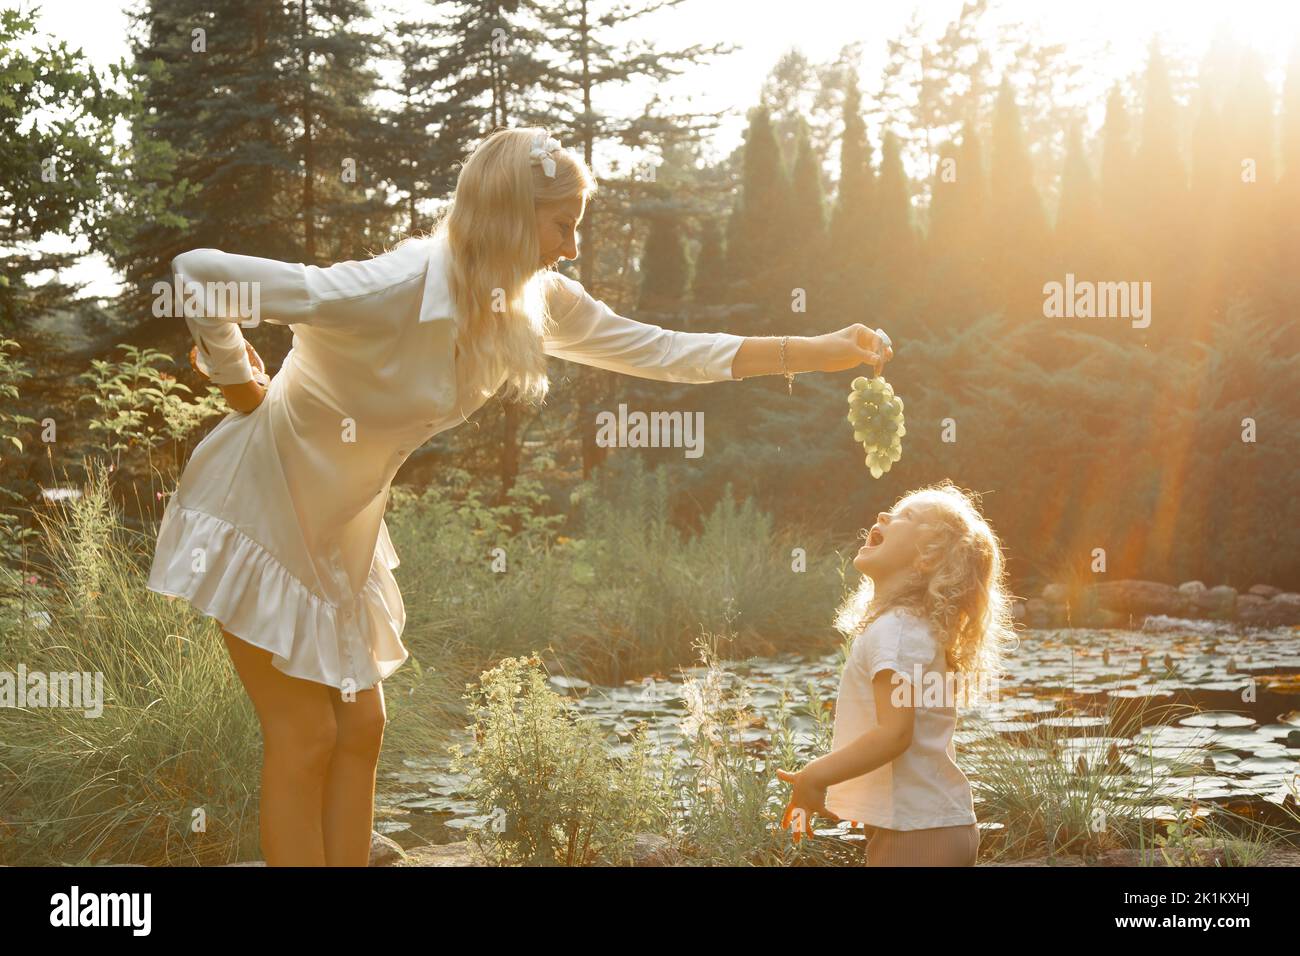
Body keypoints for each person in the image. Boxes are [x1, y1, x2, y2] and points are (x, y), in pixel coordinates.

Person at [146, 126, 895, 866]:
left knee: (362, 730)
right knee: (306, 735)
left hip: (344, 529)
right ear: (509, 213)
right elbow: (199, 270)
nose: (570, 246)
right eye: (561, 224)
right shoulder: (386, 288)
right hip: (257, 505)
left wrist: (817, 351)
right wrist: (235, 378)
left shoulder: (539, 304)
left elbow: (666, 350)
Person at [777, 481, 1015, 866]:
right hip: (924, 827)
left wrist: (815, 776)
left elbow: (895, 733)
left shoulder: (897, 631)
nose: (883, 515)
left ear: (928, 556)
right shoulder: (906, 626)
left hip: (919, 835)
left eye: (907, 515)